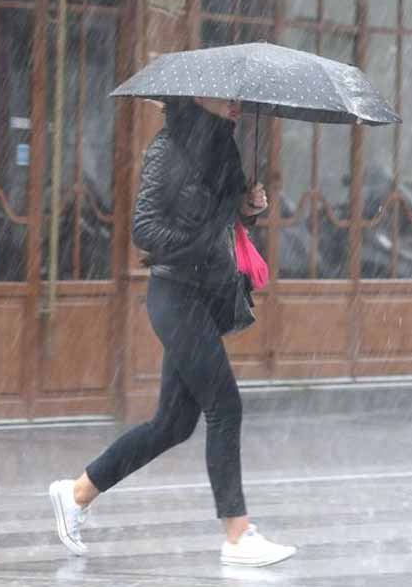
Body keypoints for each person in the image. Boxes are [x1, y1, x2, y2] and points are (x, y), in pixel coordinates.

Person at [47, 96, 296, 567]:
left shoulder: (223, 147)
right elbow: (145, 229)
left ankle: (76, 492)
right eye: (230, 96)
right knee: (225, 406)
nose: (238, 104)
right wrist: (201, 241)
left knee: (174, 425)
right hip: (175, 295)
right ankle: (238, 535)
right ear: (200, 97)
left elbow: (222, 219)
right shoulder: (169, 149)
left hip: (203, 296)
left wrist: (247, 209)